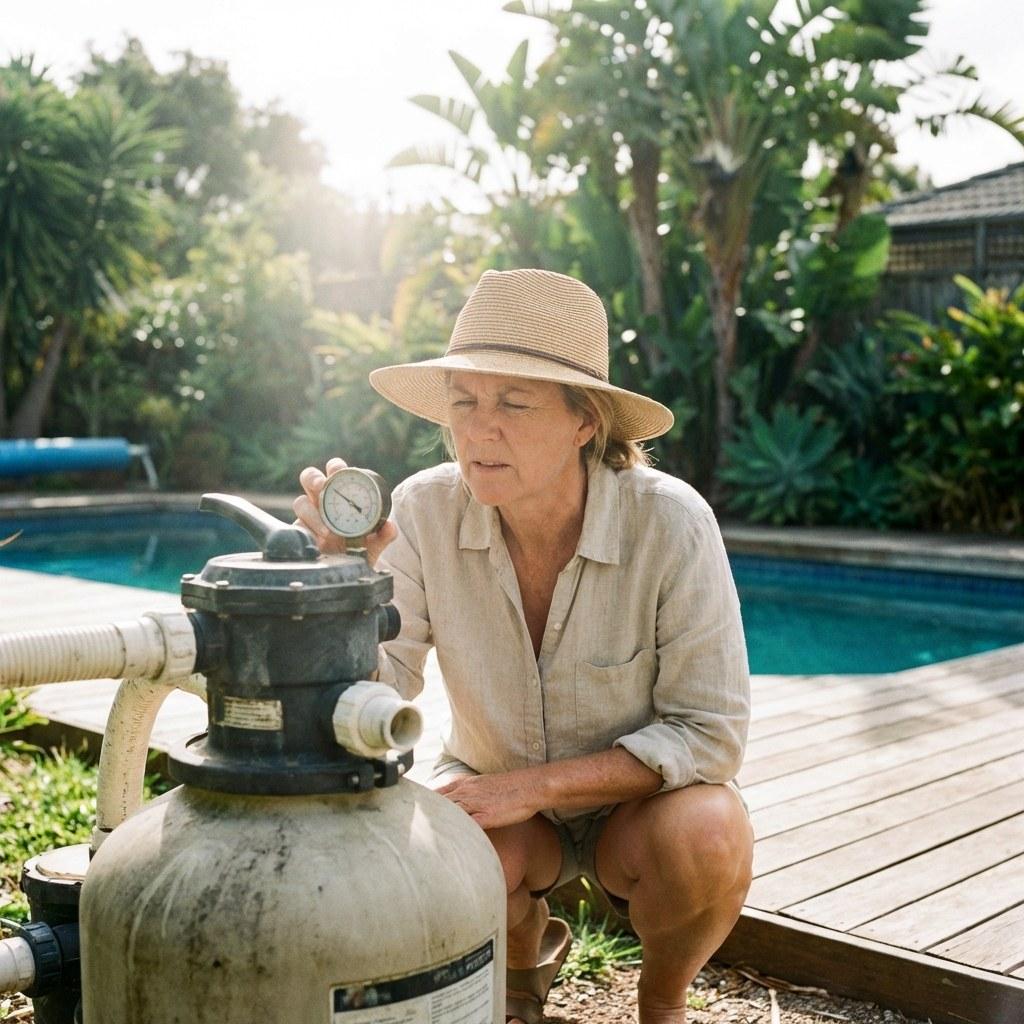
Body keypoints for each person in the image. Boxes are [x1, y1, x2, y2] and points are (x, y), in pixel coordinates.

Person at [294, 269, 752, 1024]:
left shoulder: (671, 523)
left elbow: (711, 735)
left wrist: (532, 788)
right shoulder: (420, 509)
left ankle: (664, 999)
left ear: (586, 422)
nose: (479, 430)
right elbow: (384, 684)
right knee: (435, 852)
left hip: (639, 810)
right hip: (494, 801)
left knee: (709, 831)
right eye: (465, 403)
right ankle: (518, 968)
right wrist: (344, 583)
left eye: (513, 402)